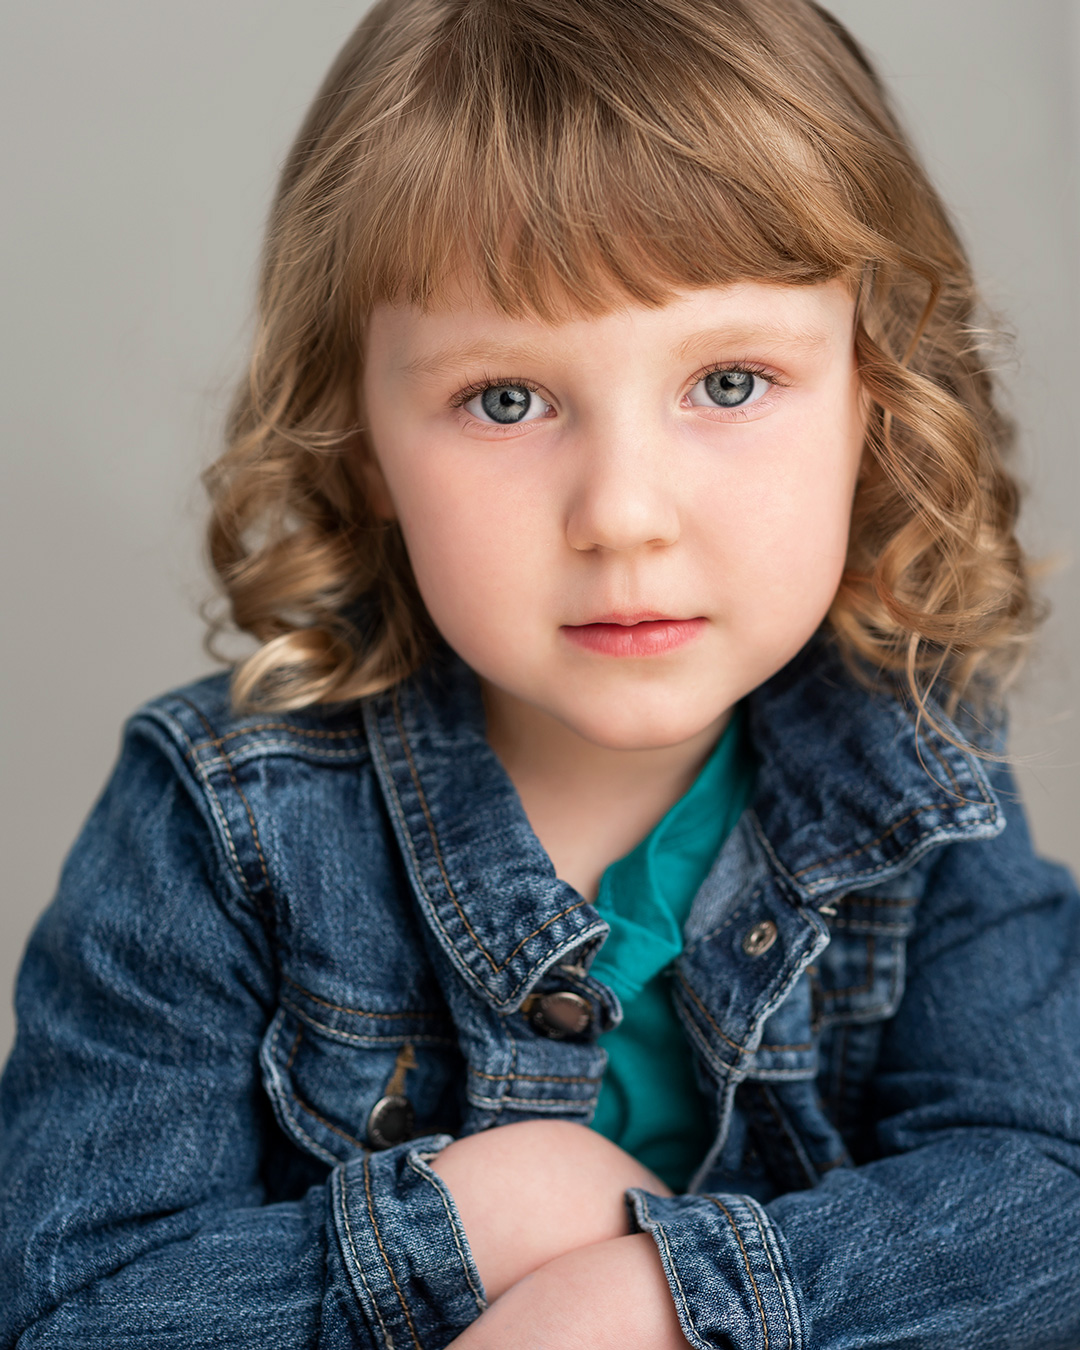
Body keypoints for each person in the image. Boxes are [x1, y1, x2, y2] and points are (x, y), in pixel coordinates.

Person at [2, 0, 1078, 1345]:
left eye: (731, 382)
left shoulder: (912, 762)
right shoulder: (224, 824)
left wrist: (656, 1301)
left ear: (877, 394)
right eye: (507, 398)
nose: (623, 512)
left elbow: (1048, 1201)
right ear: (358, 445)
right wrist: (499, 1208)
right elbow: (70, 1310)